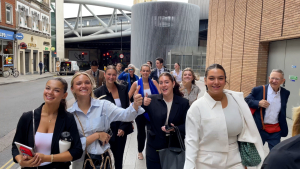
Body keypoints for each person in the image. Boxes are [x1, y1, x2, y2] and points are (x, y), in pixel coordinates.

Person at [184, 64, 264, 169]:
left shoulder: (237, 101)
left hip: (235, 161)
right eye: (211, 78)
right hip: (206, 163)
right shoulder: (196, 108)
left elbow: (248, 131)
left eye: (220, 78)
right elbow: (191, 142)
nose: (216, 82)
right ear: (205, 81)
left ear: (225, 81)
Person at [68, 72, 144, 169]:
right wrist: (97, 136)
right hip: (80, 163)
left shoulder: (103, 105)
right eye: (79, 83)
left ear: (91, 86)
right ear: (72, 88)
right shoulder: (70, 114)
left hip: (103, 161)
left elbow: (126, 115)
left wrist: (135, 104)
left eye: (87, 82)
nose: (83, 86)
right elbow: (73, 145)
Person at [12, 78, 83, 168]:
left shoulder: (68, 118)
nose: (50, 92)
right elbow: (15, 146)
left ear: (64, 95)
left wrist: (48, 158)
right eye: (48, 88)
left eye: (56, 90)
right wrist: (21, 161)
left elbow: (77, 151)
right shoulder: (28, 117)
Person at [142, 72, 189, 169]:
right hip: (154, 146)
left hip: (174, 147)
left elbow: (188, 124)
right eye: (161, 82)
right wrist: (141, 104)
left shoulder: (183, 103)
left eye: (166, 82)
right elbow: (138, 116)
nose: (163, 85)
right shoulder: (151, 100)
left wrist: (175, 128)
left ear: (173, 83)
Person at [94, 65, 133, 169]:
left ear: (117, 76)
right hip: (106, 131)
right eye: (109, 74)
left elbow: (126, 109)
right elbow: (97, 114)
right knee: (106, 158)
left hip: (121, 130)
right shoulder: (98, 92)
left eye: (114, 75)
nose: (111, 77)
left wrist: (123, 127)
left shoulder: (123, 88)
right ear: (105, 75)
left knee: (119, 158)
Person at [245, 69, 290, 150]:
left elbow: (282, 111)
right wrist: (258, 103)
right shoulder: (259, 90)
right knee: (256, 154)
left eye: (277, 79)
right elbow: (246, 100)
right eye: (272, 78)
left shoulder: (285, 93)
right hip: (260, 129)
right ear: (269, 78)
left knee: (276, 156)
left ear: (283, 81)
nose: (274, 81)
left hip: (276, 131)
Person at [128, 64, 160, 160]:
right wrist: (133, 105)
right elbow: (127, 97)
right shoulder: (136, 83)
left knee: (152, 131)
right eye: (144, 71)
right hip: (140, 112)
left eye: (147, 71)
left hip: (152, 111)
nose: (145, 72)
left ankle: (151, 150)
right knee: (141, 132)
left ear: (150, 72)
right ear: (140, 72)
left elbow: (160, 95)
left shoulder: (154, 82)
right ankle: (140, 151)